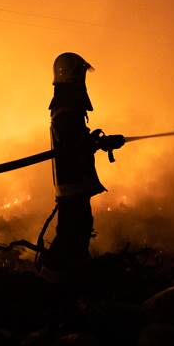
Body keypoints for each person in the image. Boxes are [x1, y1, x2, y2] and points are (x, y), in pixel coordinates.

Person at [43, 52, 124, 273]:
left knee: (77, 227)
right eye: (80, 73)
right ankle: (60, 277)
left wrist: (98, 141)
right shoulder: (66, 103)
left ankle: (67, 272)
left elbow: (75, 138)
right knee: (74, 229)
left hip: (74, 179)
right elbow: (69, 138)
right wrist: (97, 142)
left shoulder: (67, 100)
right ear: (71, 75)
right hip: (72, 179)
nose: (83, 78)